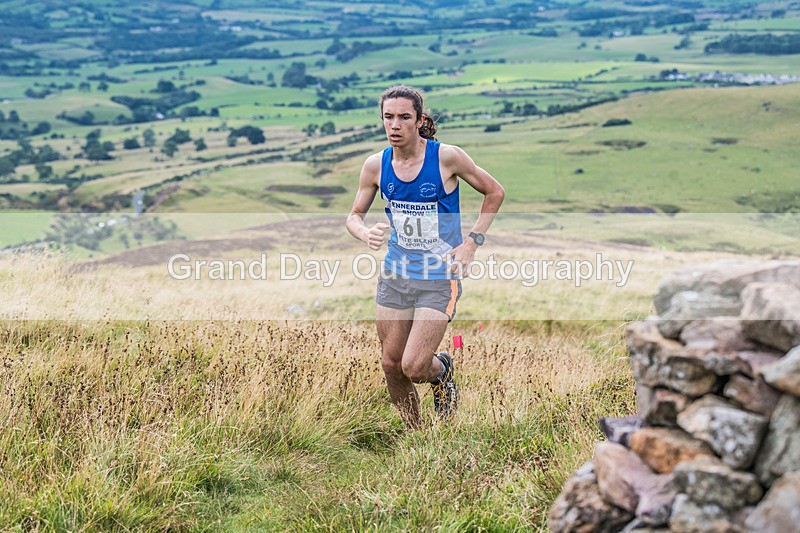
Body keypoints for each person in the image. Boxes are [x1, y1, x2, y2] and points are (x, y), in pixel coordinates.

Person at [346, 85, 505, 428]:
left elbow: (495, 191)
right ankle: (418, 437)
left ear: (419, 120)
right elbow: (353, 215)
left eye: (404, 117)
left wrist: (472, 242)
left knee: (415, 366)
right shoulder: (375, 165)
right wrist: (364, 232)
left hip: (438, 276)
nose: (395, 125)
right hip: (396, 274)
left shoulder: (447, 158)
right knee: (391, 365)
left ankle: (442, 370)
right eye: (389, 117)